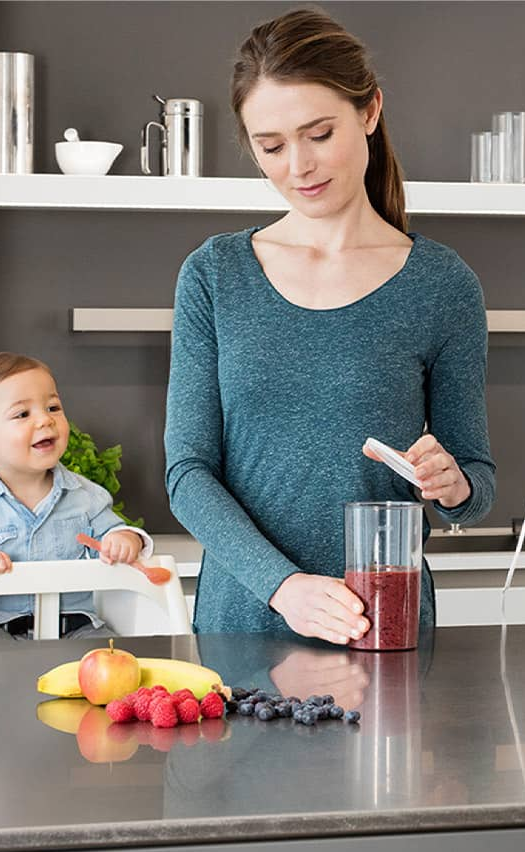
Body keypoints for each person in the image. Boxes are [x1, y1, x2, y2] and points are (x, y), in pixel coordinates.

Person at [165, 7, 495, 644]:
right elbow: (188, 474)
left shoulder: (441, 285)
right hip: (243, 627)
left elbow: (475, 484)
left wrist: (452, 486)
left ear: (369, 112)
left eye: (319, 133)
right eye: (271, 146)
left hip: (382, 626)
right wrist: (285, 588)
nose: (298, 165)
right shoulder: (214, 275)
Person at [0, 351, 153, 641]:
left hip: (76, 628)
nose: (45, 421)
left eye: (53, 407)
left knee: (119, 657)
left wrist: (126, 539)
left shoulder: (87, 497)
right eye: (22, 414)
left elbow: (115, 533)